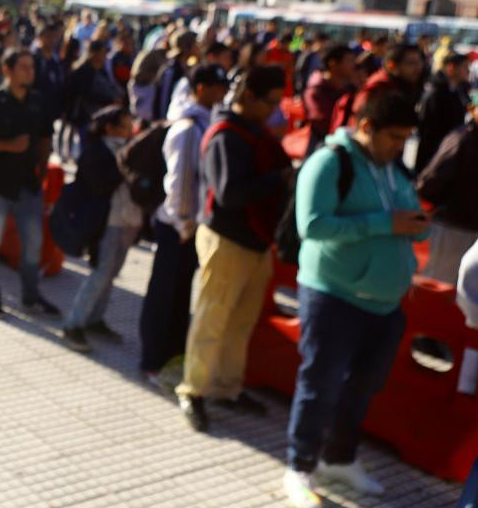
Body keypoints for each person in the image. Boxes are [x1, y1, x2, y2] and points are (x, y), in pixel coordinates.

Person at [282, 91, 428, 507]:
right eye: (395, 137)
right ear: (366, 127)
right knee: (320, 385)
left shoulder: (392, 168)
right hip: (334, 296)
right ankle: (300, 465)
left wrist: (415, 226)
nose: (401, 146)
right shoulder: (330, 163)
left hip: (384, 307)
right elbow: (312, 225)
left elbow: (408, 214)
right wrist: (385, 224)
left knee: (362, 387)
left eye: (406, 138)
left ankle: (339, 458)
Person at [177, 65, 290, 433]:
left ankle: (226, 387)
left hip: (256, 243)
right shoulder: (226, 135)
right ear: (248, 98)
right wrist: (278, 179)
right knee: (211, 320)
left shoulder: (256, 133)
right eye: (270, 103)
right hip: (226, 239)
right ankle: (192, 390)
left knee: (240, 323)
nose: (275, 111)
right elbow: (229, 194)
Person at [139, 64, 229, 382]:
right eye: (217, 86)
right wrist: (183, 224)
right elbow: (178, 185)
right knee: (163, 296)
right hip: (177, 227)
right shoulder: (188, 128)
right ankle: (152, 359)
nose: (222, 93)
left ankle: (173, 356)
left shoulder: (206, 121)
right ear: (200, 88)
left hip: (190, 227)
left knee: (179, 296)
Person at [0, 48, 60, 317]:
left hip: (28, 185)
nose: (30, 72)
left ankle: (30, 296)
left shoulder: (37, 101)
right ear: (8, 70)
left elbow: (45, 137)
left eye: (32, 67)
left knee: (33, 243)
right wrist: (6, 146)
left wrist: (43, 161)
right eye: (24, 67)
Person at [62, 106, 142, 351]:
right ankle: (73, 324)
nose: (131, 132)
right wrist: (125, 165)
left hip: (128, 219)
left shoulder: (127, 149)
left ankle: (95, 319)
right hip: (105, 222)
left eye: (132, 127)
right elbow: (99, 185)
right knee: (100, 272)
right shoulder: (95, 151)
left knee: (112, 273)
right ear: (110, 128)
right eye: (125, 127)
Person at [417, 105, 478, 285]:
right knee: (438, 285)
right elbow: (428, 183)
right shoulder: (462, 139)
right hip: (450, 226)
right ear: (472, 109)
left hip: (470, 230)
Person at [330, 42, 425, 131]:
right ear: (391, 65)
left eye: (420, 62)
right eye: (411, 63)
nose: (418, 68)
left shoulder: (398, 85)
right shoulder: (379, 88)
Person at [415, 52, 470, 173]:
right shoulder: (435, 92)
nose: (468, 71)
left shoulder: (458, 89)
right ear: (451, 68)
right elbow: (427, 130)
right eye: (465, 67)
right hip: (435, 157)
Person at [303, 44, 354, 150]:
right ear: (333, 63)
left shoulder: (348, 90)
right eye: (349, 61)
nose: (353, 65)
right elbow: (323, 122)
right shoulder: (315, 91)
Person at [153, 30, 199, 120]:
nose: (198, 46)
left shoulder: (185, 67)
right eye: (195, 43)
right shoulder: (171, 70)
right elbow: (164, 101)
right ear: (187, 47)